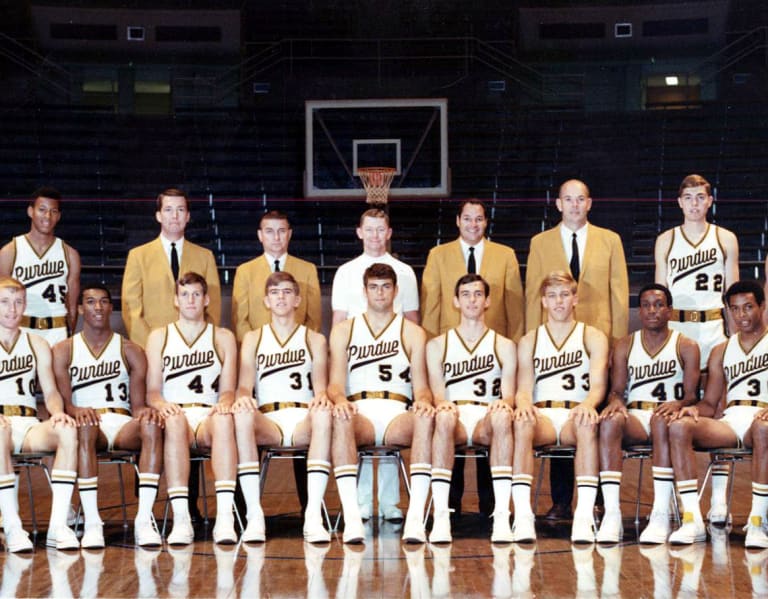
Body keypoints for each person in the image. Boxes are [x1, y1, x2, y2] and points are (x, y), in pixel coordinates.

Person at [525, 179, 628, 521]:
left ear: (589, 203)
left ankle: (594, 499)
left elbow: (618, 294)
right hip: (553, 342)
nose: (573, 205)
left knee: (589, 418)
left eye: (579, 199)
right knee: (558, 410)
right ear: (558, 204)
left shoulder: (610, 240)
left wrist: (617, 346)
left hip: (596, 345)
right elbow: (531, 299)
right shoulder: (540, 242)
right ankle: (559, 501)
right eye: (567, 199)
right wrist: (533, 342)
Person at [421, 199, 524, 516]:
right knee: (447, 421)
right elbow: (431, 307)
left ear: (485, 222)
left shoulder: (505, 254)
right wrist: (434, 349)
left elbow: (515, 310)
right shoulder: (438, 255)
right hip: (452, 354)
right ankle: (448, 504)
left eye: (479, 219)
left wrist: (511, 350)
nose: (473, 224)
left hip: (491, 353)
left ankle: (491, 504)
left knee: (493, 422)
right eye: (468, 218)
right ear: (457, 221)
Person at [327, 263, 434, 543]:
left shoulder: (413, 332)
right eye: (373, 287)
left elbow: (421, 386)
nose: (380, 293)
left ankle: (415, 520)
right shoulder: (344, 330)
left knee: (426, 417)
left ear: (396, 291)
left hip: (396, 411)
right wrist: (339, 399)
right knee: (339, 417)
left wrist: (422, 401)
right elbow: (335, 384)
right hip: (359, 410)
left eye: (386, 286)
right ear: (364, 292)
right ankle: (352, 518)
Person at [655, 174, 739, 525]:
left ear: (709, 201)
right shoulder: (666, 240)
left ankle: (718, 500)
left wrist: (734, 341)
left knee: (717, 409)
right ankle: (678, 497)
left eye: (700, 197)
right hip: (677, 328)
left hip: (712, 327)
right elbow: (659, 293)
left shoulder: (725, 238)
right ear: (679, 202)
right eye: (687, 197)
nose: (693, 203)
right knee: (679, 407)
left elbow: (734, 293)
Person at [53, 285, 164, 548]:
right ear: (80, 309)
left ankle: (144, 520)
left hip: (122, 421)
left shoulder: (131, 349)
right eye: (90, 302)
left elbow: (137, 406)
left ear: (111, 308)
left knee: (151, 425)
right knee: (86, 427)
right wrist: (77, 411)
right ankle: (92, 522)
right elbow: (65, 403)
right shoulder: (64, 350)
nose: (98, 307)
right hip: (89, 424)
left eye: (104, 302)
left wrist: (146, 413)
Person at [331, 208, 420, 521]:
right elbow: (338, 322)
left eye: (380, 229)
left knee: (392, 426)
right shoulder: (346, 272)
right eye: (369, 229)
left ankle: (389, 502)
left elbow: (412, 322)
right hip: (358, 357)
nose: (374, 235)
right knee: (359, 422)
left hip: (392, 358)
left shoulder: (405, 273)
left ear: (389, 232)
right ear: (359, 232)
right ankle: (361, 503)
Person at [232, 271, 333, 543]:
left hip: (303, 419)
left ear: (298, 299)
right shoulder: (254, 338)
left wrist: (321, 397)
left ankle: (312, 514)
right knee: (241, 415)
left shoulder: (315, 339)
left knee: (324, 412)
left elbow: (321, 387)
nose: (281, 297)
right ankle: (254, 516)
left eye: (288, 292)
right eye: (275, 293)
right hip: (269, 420)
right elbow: (243, 386)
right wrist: (243, 398)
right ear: (266, 301)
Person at [595, 284, 700, 544]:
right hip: (637, 415)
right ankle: (612, 514)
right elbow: (617, 390)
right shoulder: (624, 345)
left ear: (669, 311)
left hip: (667, 414)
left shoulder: (686, 345)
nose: (652, 310)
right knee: (609, 422)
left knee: (660, 419)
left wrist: (677, 404)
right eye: (646, 305)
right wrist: (615, 402)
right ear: (639, 310)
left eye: (658, 304)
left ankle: (660, 514)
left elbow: (691, 395)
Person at [667, 280, 768, 547]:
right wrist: (691, 409)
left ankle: (758, 521)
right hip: (733, 420)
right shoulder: (722, 350)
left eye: (748, 308)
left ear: (762, 306)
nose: (741, 315)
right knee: (679, 427)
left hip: (764, 419)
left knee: (763, 428)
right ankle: (692, 521)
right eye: (734, 309)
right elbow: (710, 403)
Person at [512, 271, 609, 543]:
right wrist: (522, 404)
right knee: (520, 423)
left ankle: (584, 515)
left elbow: (598, 384)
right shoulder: (530, 339)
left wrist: (589, 404)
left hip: (573, 413)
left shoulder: (592, 336)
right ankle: (522, 517)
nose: (558, 302)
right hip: (543, 413)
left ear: (575, 299)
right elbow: (523, 387)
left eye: (565, 295)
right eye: (552, 296)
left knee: (588, 423)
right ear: (543, 301)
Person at [144, 271, 238, 545]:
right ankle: (181, 518)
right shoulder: (159, 336)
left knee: (223, 420)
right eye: (184, 294)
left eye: (197, 294)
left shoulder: (222, 337)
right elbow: (152, 392)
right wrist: (162, 404)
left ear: (207, 299)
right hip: (177, 414)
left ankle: (224, 519)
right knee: (172, 422)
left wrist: (224, 404)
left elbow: (229, 389)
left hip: (208, 412)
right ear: (175, 300)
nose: (191, 300)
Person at [426, 273, 517, 543]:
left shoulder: (504, 345)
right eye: (465, 294)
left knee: (502, 417)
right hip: (454, 414)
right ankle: (442, 515)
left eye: (478, 294)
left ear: (487, 301)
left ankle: (501, 515)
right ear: (455, 301)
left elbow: (509, 394)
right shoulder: (438, 345)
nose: (472, 300)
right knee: (442, 417)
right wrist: (443, 405)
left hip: (485, 415)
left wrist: (504, 404)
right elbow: (437, 393)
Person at [0, 276, 79, 551]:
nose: (12, 309)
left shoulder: (37, 343)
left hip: (29, 422)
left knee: (67, 430)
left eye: (18, 302)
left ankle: (59, 526)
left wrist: (57, 412)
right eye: (5, 303)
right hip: (1, 426)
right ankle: (12, 528)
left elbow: (51, 392)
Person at [122, 188, 221, 349]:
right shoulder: (138, 256)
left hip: (196, 350)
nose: (175, 216)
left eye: (180, 210)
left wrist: (201, 343)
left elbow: (213, 307)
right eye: (168, 210)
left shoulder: (205, 256)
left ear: (188, 216)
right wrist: (153, 347)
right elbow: (131, 312)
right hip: (152, 349)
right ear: (158, 216)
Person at [0, 187, 81, 345]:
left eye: (53, 211)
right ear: (31, 211)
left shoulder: (70, 254)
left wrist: (69, 332)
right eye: (42, 210)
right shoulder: (10, 251)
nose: (47, 216)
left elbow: (72, 304)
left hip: (58, 330)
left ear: (59, 216)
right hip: (22, 328)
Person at [231, 210, 322, 342]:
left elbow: (314, 319)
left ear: (289, 234)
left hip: (297, 351)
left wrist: (300, 345)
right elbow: (239, 320)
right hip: (258, 352)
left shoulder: (308, 269)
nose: (276, 237)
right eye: (269, 231)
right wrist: (255, 347)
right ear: (260, 235)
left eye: (281, 231)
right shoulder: (245, 271)